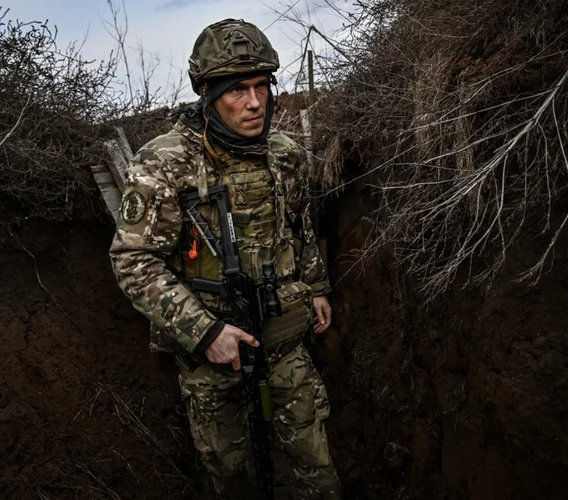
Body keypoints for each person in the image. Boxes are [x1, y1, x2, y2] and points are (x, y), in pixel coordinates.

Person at [109, 18, 341, 499]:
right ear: (209, 95)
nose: (254, 103)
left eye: (261, 87)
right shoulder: (164, 163)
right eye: (238, 90)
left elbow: (296, 226)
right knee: (232, 476)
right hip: (212, 358)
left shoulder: (285, 155)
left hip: (283, 341)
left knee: (316, 473)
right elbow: (134, 260)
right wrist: (206, 332)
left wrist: (316, 288)